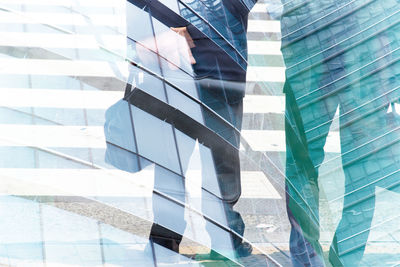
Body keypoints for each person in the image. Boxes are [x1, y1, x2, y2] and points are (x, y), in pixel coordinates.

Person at [281, 0, 400, 265]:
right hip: (311, 40)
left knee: (361, 166)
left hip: (361, 42)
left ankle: (337, 260)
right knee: (305, 163)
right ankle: (316, 259)